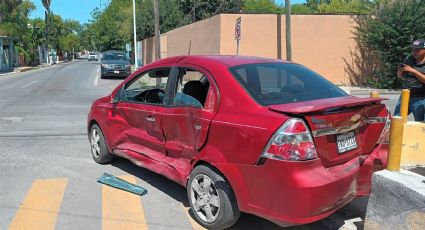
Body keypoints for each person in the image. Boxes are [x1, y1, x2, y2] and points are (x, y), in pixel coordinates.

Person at [394, 38, 425, 121]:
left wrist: (413, 71)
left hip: (421, 98)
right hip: (406, 95)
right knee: (397, 120)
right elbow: (400, 76)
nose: (414, 52)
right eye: (413, 49)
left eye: (417, 50)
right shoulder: (409, 59)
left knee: (420, 124)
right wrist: (400, 71)